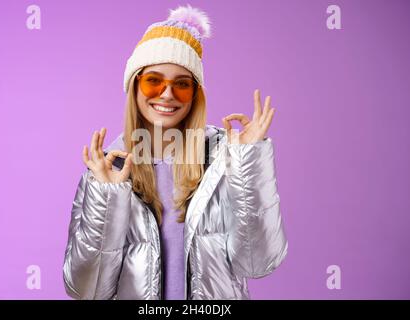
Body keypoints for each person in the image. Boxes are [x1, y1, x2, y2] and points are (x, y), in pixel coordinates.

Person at [62, 4, 288, 300]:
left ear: (195, 95)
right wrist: (106, 196)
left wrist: (249, 162)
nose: (167, 94)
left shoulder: (226, 159)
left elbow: (258, 262)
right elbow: (86, 290)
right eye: (153, 81)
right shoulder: (107, 169)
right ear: (134, 86)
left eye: (182, 85)